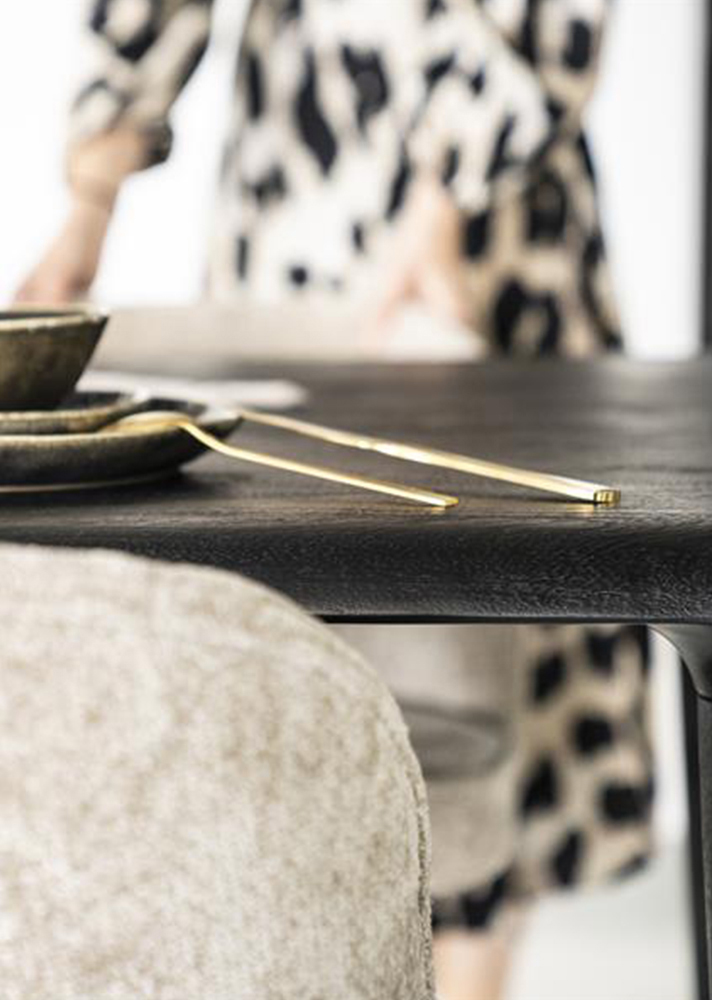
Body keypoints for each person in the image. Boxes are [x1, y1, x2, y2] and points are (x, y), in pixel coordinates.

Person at [18, 2, 654, 997]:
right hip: (294, 186)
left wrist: (445, 197)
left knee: (492, 656)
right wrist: (91, 201)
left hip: (491, 215)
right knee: (296, 665)